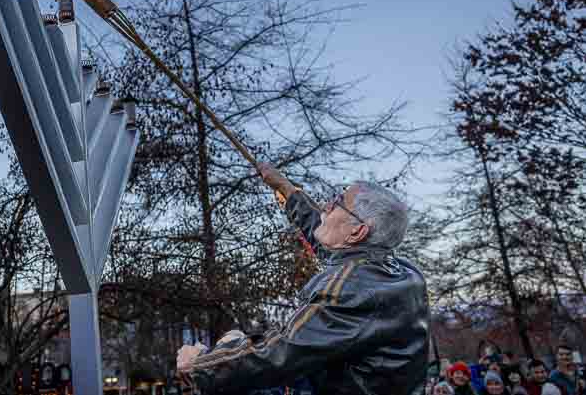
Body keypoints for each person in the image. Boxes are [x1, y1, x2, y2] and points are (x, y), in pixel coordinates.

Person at [175, 165, 429, 394]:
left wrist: (201, 364)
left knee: (233, 338)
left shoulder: (352, 288)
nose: (327, 206)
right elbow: (324, 237)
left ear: (357, 231)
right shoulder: (402, 271)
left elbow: (280, 353)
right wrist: (286, 190)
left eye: (338, 202)